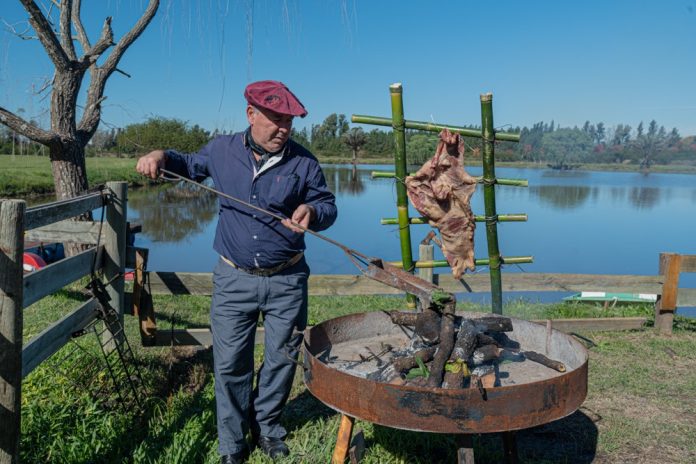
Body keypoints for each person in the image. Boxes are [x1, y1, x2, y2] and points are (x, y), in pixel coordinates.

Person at [136, 80, 337, 463]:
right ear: (251, 114)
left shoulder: (305, 162)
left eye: (289, 122)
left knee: (281, 359)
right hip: (233, 279)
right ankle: (232, 444)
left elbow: (326, 204)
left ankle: (269, 429)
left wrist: (312, 213)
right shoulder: (222, 150)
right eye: (276, 119)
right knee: (230, 364)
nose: (284, 128)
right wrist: (159, 155)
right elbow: (188, 164)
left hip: (288, 279)